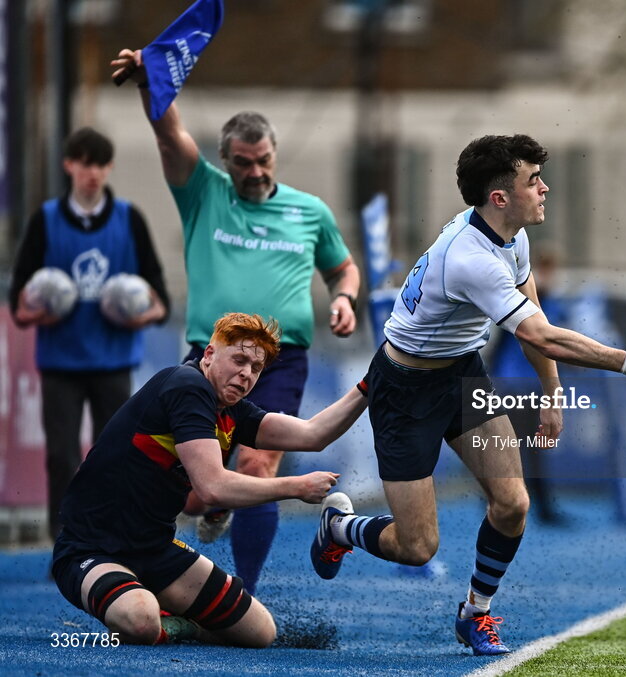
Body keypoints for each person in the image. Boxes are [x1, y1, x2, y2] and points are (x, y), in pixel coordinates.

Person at [307, 134, 626, 655]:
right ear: (499, 197)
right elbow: (541, 334)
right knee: (417, 547)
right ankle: (340, 527)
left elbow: (530, 308)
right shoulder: (471, 259)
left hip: (462, 375)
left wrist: (552, 390)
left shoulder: (511, 235)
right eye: (532, 180)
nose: (545, 188)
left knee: (513, 504)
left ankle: (476, 613)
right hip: (405, 389)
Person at [111, 49, 362, 594]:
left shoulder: (309, 210)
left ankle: (241, 593)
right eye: (243, 162)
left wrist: (344, 298)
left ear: (274, 154)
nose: (255, 172)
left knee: (256, 465)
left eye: (264, 159)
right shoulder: (204, 192)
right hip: (208, 356)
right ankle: (141, 564)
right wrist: (151, 84)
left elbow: (343, 268)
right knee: (183, 480)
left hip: (280, 360)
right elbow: (168, 135)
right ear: (225, 161)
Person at [51, 312, 368, 646]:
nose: (246, 374)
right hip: (91, 548)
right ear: (209, 355)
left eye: (256, 368)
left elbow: (313, 434)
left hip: (154, 549)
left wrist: (369, 386)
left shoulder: (232, 409)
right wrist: (296, 487)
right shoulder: (187, 386)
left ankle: (174, 624)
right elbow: (212, 487)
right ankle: (155, 616)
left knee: (260, 632)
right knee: (141, 619)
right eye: (239, 360)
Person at [8, 127, 170, 543]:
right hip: (61, 362)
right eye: (84, 163)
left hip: (113, 361)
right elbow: (19, 300)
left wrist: (141, 315)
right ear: (69, 166)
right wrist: (34, 313)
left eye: (100, 164)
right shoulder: (45, 221)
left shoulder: (129, 219)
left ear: (109, 167)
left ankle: (110, 534)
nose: (92, 172)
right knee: (61, 455)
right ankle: (64, 536)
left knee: (114, 452)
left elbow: (160, 297)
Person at [488, 245, 566, 524]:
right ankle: (500, 502)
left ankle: (541, 507)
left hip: (534, 387)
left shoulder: (555, 304)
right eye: (541, 270)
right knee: (511, 448)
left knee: (535, 448)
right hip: (511, 385)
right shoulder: (519, 299)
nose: (546, 276)